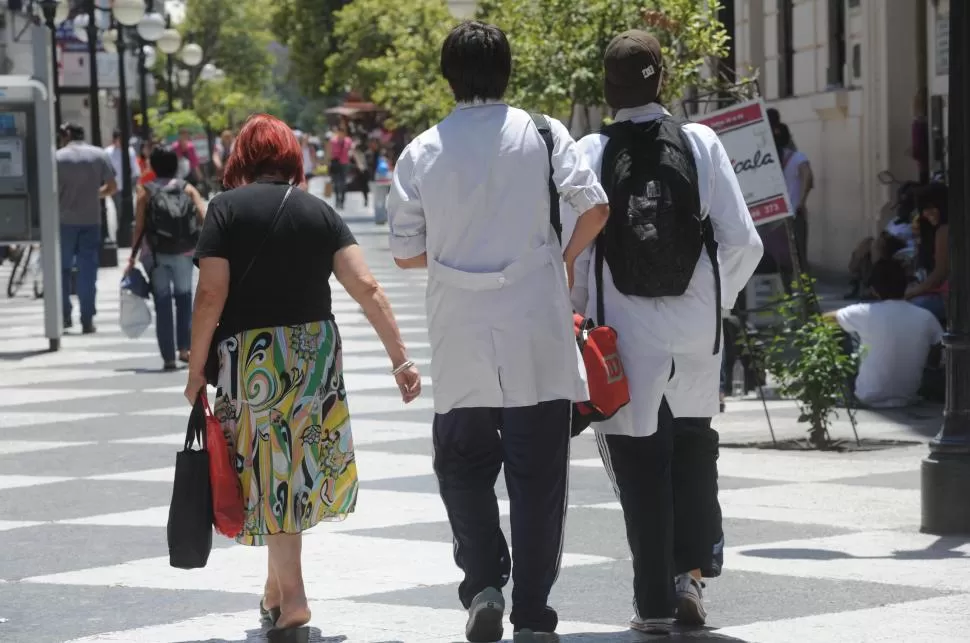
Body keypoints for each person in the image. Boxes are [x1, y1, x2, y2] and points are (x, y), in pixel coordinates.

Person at [387, 21, 609, 643]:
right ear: (508, 71)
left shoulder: (423, 148)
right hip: (535, 326)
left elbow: (405, 253)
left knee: (461, 465)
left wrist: (456, 249)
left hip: (459, 331)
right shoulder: (543, 133)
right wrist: (561, 257)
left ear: (447, 76)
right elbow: (595, 208)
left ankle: (484, 581)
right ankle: (534, 613)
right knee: (539, 477)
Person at [185, 114, 421, 640]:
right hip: (314, 353)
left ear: (241, 159)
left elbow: (210, 295)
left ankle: (293, 598)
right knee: (286, 469)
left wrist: (196, 366)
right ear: (292, 158)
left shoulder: (225, 209)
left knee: (271, 471)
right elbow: (367, 286)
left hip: (253, 357)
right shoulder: (319, 210)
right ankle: (275, 591)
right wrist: (400, 359)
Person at [561, 30, 763, 635]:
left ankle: (651, 604)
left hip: (625, 338)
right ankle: (691, 578)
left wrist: (580, 320)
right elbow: (744, 241)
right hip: (696, 333)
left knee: (640, 463)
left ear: (608, 88)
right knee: (696, 451)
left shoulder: (592, 149)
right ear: (663, 81)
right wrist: (705, 295)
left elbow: (578, 254)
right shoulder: (699, 142)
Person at [127, 146, 207, 371]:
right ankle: (185, 349)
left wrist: (132, 256)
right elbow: (204, 217)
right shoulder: (188, 188)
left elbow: (140, 226)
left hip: (157, 254)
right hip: (185, 252)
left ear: (153, 167)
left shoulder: (146, 191)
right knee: (184, 299)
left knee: (162, 304)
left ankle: (168, 357)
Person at [827, 258, 943, 407]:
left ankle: (844, 390)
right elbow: (940, 349)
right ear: (906, 285)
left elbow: (824, 319)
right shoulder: (926, 316)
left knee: (843, 332)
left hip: (866, 395)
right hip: (907, 397)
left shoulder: (864, 312)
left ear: (874, 290)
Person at [56, 122, 118, 333]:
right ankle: (87, 318)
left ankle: (64, 315)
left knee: (62, 270)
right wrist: (95, 194)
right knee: (88, 272)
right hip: (91, 220)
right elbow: (112, 187)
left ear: (66, 135)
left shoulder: (58, 157)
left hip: (64, 221)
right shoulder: (99, 155)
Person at [906, 183, 949, 323]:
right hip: (946, 294)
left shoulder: (945, 230)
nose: (926, 213)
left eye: (931, 207)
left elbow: (940, 275)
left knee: (907, 309)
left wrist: (912, 292)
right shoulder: (937, 231)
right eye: (923, 209)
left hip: (952, 299)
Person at [104, 129, 141, 230]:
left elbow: (135, 170)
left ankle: (126, 231)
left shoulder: (130, 151)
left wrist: (134, 183)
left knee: (129, 210)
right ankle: (121, 231)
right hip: (114, 186)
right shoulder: (108, 152)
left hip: (127, 186)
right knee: (119, 209)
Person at [329, 125, 352, 209]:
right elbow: (330, 152)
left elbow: (350, 150)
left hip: (345, 164)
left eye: (342, 132)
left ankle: (342, 200)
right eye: (339, 131)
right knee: (336, 183)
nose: (341, 133)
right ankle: (337, 200)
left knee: (343, 183)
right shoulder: (333, 141)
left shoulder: (348, 141)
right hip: (335, 164)